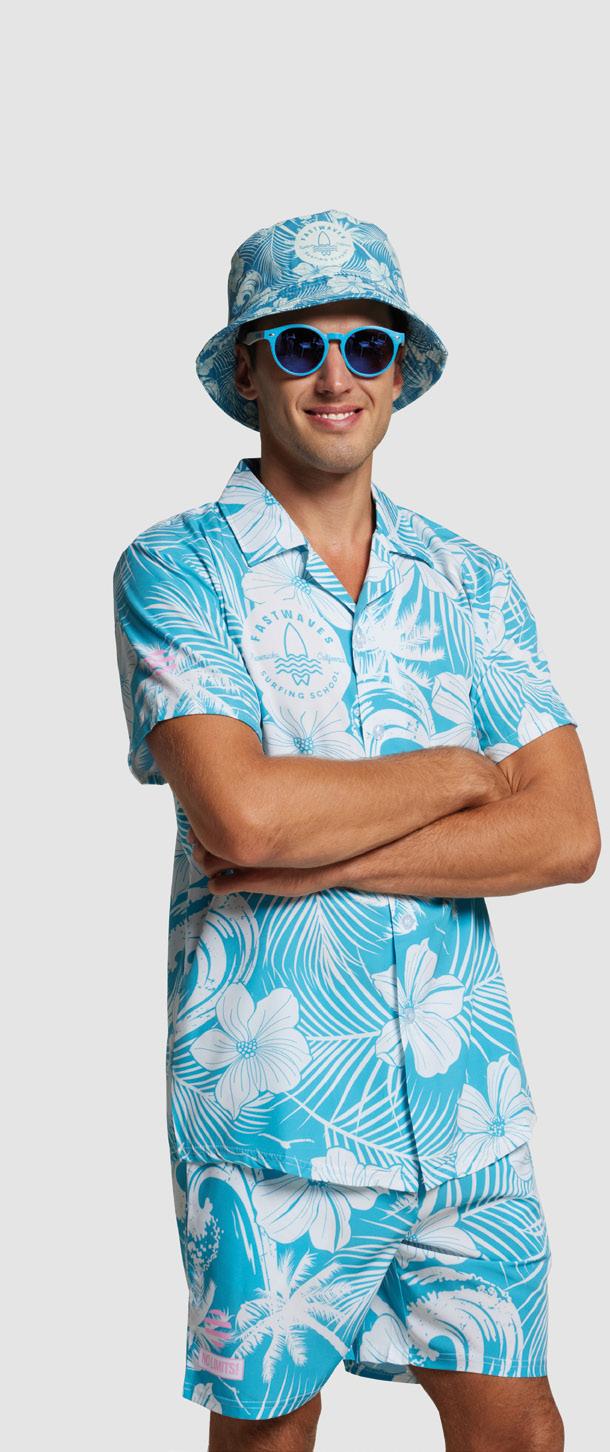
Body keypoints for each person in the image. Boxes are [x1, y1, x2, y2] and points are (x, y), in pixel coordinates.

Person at [112, 208, 600, 1452]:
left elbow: (564, 835)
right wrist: (456, 774)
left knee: (522, 1433)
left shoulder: (473, 582)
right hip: (274, 1112)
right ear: (246, 370)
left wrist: (294, 851)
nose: (335, 376)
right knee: (272, 1435)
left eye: (366, 346)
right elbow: (241, 812)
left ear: (397, 372)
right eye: (298, 346)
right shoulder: (177, 569)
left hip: (466, 1105)